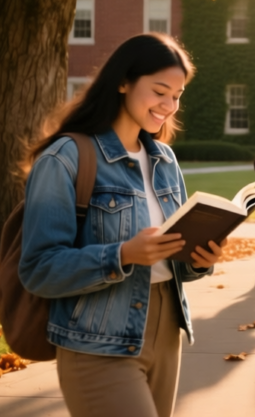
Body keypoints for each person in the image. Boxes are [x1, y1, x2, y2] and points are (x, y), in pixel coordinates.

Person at [18, 34, 225, 417]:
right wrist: (124, 254)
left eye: (177, 95)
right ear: (123, 82)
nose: (169, 105)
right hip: (98, 337)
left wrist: (198, 259)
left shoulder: (164, 159)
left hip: (167, 333)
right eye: (160, 91)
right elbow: (38, 269)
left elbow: (173, 260)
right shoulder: (65, 157)